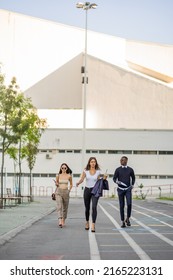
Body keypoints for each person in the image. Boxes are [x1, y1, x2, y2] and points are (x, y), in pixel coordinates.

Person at [76, 157, 107, 232]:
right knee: (87, 208)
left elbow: (100, 181)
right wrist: (78, 183)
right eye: (91, 162)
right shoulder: (85, 171)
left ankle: (93, 224)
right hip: (87, 190)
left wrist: (104, 178)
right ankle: (87, 222)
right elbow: (82, 179)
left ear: (95, 163)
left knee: (94, 207)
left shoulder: (98, 171)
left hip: (95, 191)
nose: (93, 163)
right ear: (89, 163)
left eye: (94, 162)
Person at [113, 156, 135, 228]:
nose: (123, 161)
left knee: (129, 204)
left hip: (128, 189)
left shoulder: (130, 169)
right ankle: (122, 221)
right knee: (121, 206)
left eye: (125, 160)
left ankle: (128, 218)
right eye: (122, 160)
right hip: (120, 189)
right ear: (120, 161)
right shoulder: (118, 170)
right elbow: (114, 178)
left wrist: (132, 185)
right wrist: (117, 181)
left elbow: (133, 177)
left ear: (127, 161)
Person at [54, 163, 73, 228]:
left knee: (65, 207)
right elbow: (57, 184)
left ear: (67, 168)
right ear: (60, 168)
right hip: (58, 191)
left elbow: (71, 184)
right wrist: (56, 184)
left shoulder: (69, 176)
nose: (64, 169)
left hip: (66, 192)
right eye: (62, 168)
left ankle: (63, 220)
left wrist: (69, 190)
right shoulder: (58, 176)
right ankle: (60, 220)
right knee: (59, 206)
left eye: (65, 168)